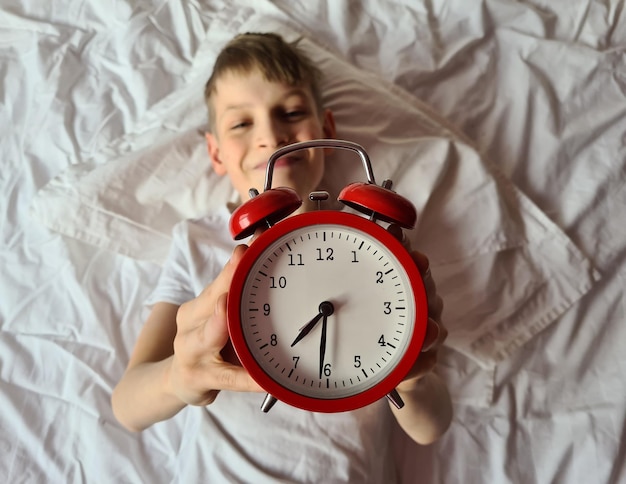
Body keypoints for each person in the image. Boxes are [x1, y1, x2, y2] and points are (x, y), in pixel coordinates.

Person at [112, 32, 452, 482]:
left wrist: (410, 377)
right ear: (216, 152)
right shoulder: (198, 243)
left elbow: (432, 428)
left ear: (327, 130)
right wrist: (180, 377)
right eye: (240, 124)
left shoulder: (379, 250)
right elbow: (127, 407)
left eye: (291, 112)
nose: (271, 135)